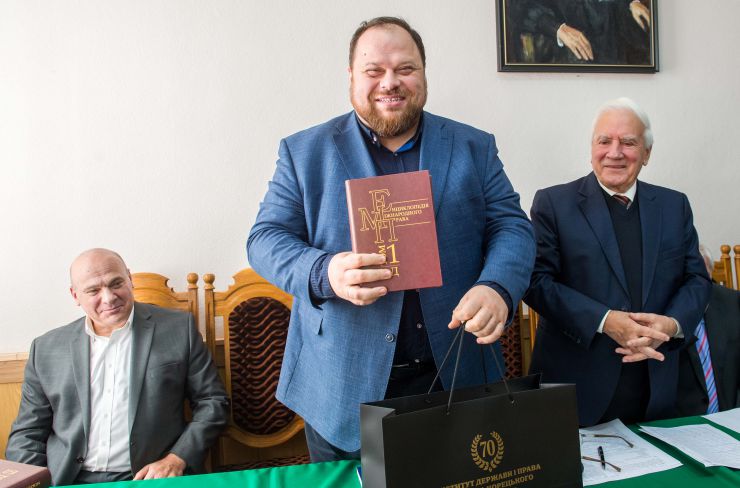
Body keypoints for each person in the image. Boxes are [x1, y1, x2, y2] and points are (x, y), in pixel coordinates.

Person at [247, 16, 535, 461]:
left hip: (455, 373)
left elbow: (512, 226)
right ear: (351, 77)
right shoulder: (304, 151)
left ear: (423, 73)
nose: (390, 82)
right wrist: (325, 273)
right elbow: (264, 239)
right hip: (342, 385)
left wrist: (497, 286)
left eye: (405, 68)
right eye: (374, 70)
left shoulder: (474, 146)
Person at [524, 97, 711, 426]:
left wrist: (671, 325)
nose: (615, 152)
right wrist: (606, 320)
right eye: (604, 141)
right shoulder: (553, 203)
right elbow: (537, 283)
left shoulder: (674, 205)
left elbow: (696, 279)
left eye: (628, 142)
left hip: (659, 388)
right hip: (576, 389)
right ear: (591, 149)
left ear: (646, 153)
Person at [6, 249, 229, 486]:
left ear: (129, 279)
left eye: (116, 283)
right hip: (68, 480)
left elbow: (212, 401)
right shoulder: (45, 349)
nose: (109, 297)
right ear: (75, 295)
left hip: (149, 478)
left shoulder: (178, 329)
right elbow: (27, 432)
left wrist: (177, 458)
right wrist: (33, 482)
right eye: (93, 290)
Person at [676, 244, 740, 415]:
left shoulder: (733, 303)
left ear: (710, 274)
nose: (695, 287)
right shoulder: (659, 314)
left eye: (701, 276)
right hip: (683, 422)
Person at [517, 0, 651, 64]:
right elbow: (520, 9)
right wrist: (557, 28)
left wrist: (631, 2)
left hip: (612, 43)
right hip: (565, 48)